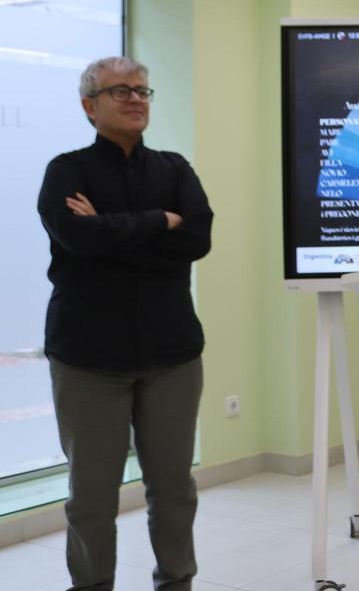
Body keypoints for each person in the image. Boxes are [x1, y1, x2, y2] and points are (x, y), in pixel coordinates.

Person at [37, 56, 213, 591]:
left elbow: (197, 240)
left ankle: (177, 581)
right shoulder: (66, 171)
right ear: (89, 106)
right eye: (120, 90)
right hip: (88, 359)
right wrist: (160, 221)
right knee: (92, 497)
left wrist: (110, 232)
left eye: (142, 90)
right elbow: (76, 238)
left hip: (173, 356)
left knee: (174, 489)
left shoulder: (175, 169)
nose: (136, 98)